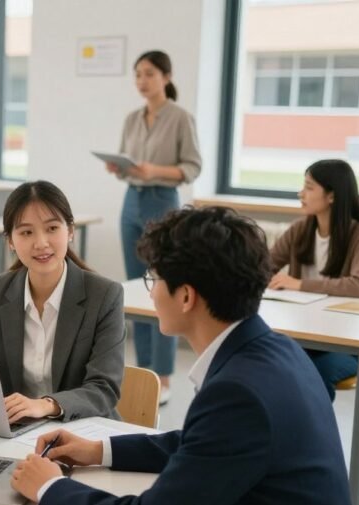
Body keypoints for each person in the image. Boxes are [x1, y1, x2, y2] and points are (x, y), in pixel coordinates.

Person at [13, 206, 359, 505]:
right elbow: (203, 446)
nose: (152, 291)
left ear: (186, 297)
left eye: (155, 279)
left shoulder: (238, 393)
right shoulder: (274, 349)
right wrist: (98, 450)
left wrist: (49, 487)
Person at [0, 181, 123, 423]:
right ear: (10, 240)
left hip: (83, 429)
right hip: (18, 431)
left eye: (52, 228)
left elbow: (104, 388)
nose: (41, 243)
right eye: (26, 232)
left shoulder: (105, 295)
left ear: (70, 231)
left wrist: (46, 406)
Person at [108, 50, 202, 403]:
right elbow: (127, 160)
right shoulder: (133, 118)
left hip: (163, 203)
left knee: (163, 288)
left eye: (148, 73)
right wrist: (121, 168)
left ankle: (163, 376)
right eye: (137, 75)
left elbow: (191, 167)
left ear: (166, 76)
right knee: (137, 289)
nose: (141, 81)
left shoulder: (180, 118)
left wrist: (155, 171)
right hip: (131, 201)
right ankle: (144, 371)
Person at [269, 159, 359, 399]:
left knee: (314, 373)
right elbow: (263, 267)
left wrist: (299, 284)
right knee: (272, 364)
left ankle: (311, 436)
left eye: (309, 187)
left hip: (352, 344)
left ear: (332, 196)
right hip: (307, 336)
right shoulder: (300, 230)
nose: (301, 193)